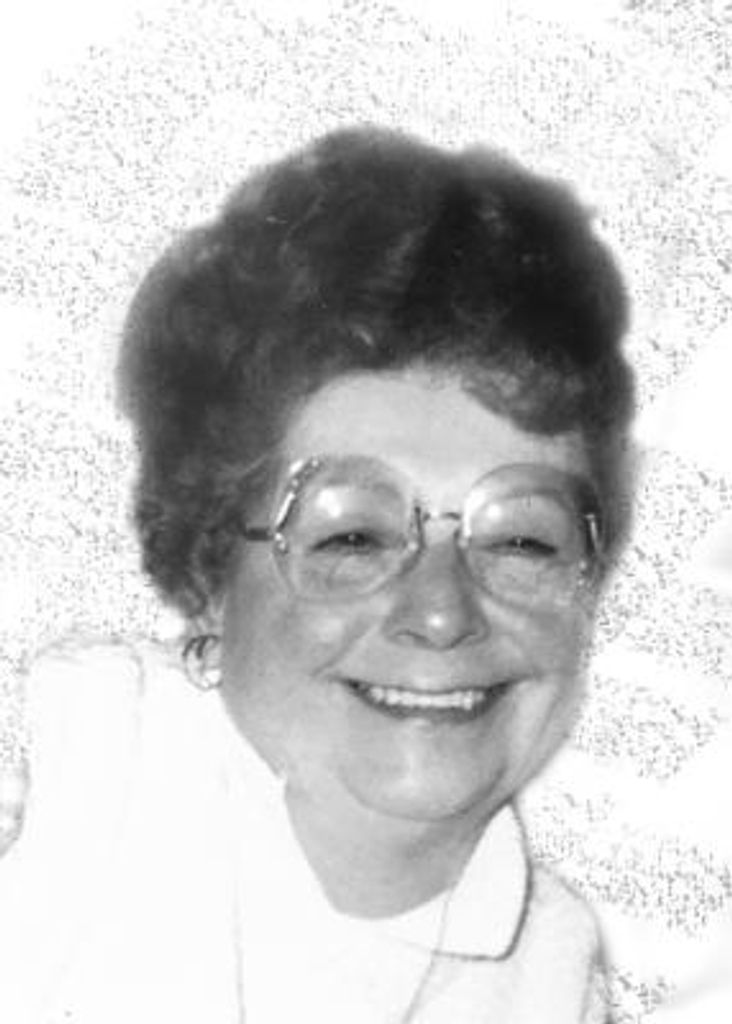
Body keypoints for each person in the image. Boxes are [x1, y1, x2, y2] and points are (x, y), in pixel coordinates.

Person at [0, 125, 634, 1023]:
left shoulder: (555, 971)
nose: (443, 612)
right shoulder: (62, 763)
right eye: (354, 538)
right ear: (209, 576)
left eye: (522, 543)